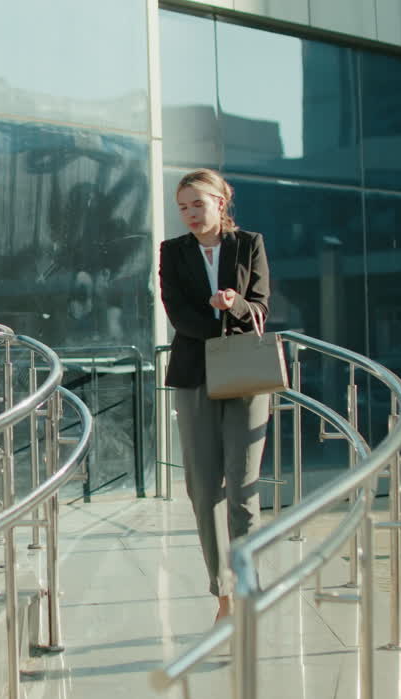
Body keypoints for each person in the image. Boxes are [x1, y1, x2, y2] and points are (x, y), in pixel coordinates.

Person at [158, 169, 272, 622]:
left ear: (220, 204)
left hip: (245, 374)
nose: (189, 213)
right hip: (194, 376)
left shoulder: (249, 244)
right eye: (183, 206)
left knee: (242, 489)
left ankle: (246, 590)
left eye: (197, 204)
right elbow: (176, 312)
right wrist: (216, 324)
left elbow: (260, 305)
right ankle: (223, 594)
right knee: (204, 489)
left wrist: (234, 304)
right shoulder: (172, 251)